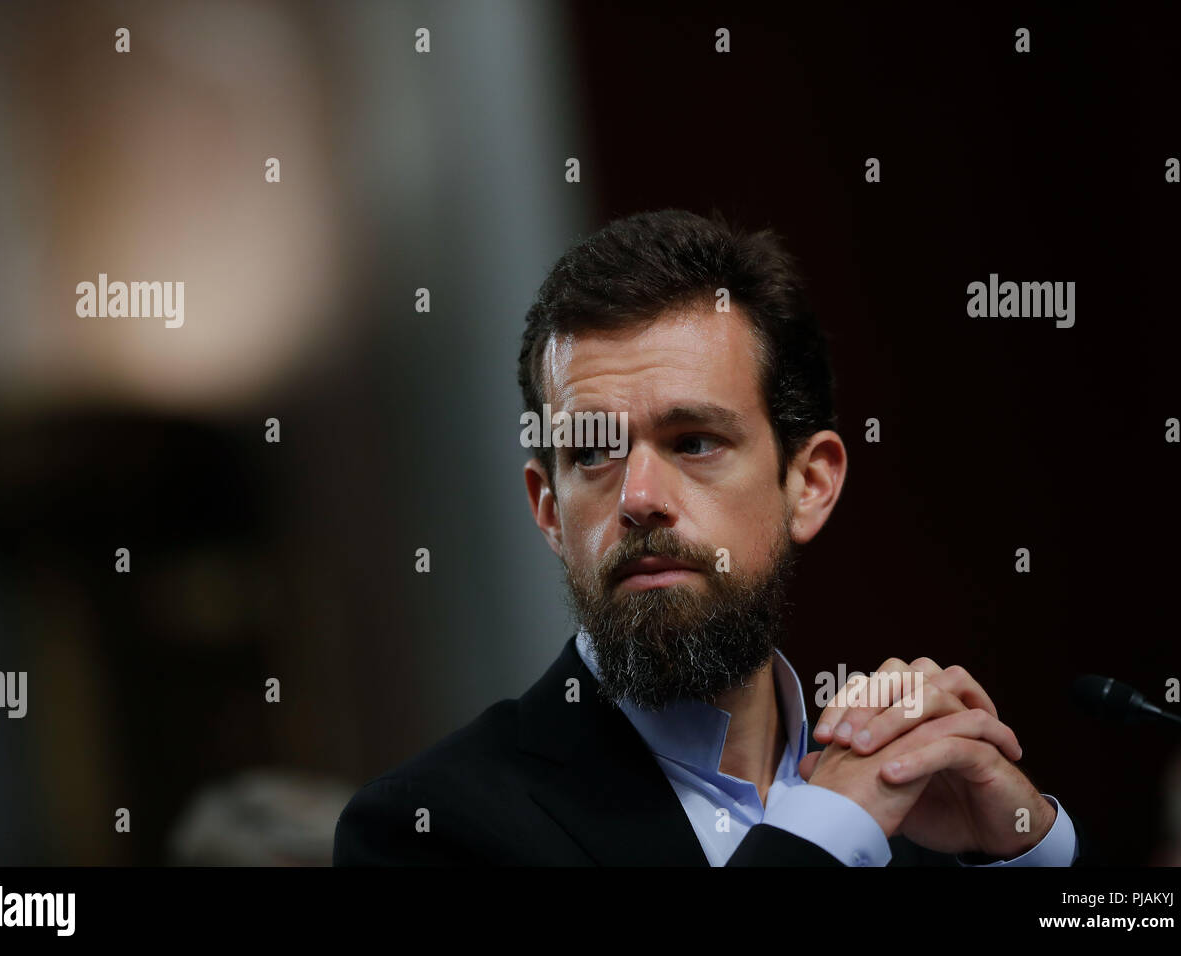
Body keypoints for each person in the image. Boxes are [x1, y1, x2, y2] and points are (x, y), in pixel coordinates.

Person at [334, 209, 1080, 866]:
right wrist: (823, 835)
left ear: (809, 484)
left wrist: (1028, 852)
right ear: (550, 511)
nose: (639, 499)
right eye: (591, 452)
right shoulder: (427, 831)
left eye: (693, 442)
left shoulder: (920, 797)